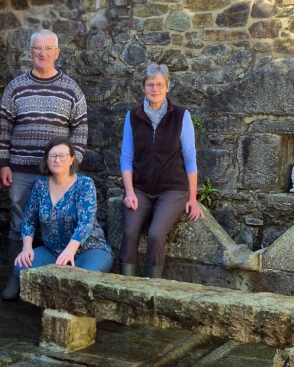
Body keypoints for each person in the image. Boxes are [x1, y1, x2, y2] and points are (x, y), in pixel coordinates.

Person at [0, 30, 88, 300]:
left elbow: (80, 129)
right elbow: (4, 127)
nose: (43, 53)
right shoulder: (16, 87)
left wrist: (72, 164)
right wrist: (4, 164)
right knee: (19, 224)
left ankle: (55, 282)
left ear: (57, 53)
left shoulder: (71, 88)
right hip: (21, 169)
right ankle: (15, 279)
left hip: (58, 173)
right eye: (38, 48)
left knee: (59, 225)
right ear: (30, 52)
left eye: (48, 48)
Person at [119, 62, 203, 279]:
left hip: (173, 190)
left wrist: (193, 198)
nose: (154, 89)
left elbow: (190, 157)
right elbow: (126, 157)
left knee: (156, 234)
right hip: (140, 189)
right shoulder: (132, 116)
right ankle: (125, 285)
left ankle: (152, 286)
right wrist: (129, 192)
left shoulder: (181, 116)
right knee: (129, 232)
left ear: (167, 87)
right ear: (143, 88)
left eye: (159, 84)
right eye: (150, 85)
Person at [14, 138, 113, 277]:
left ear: (72, 159)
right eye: (53, 156)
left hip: (89, 249)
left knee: (80, 279)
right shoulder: (41, 185)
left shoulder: (84, 184)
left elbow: (86, 222)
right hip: (53, 251)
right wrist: (26, 248)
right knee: (21, 268)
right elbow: (29, 220)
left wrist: (69, 251)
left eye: (62, 156)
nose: (57, 160)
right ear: (47, 160)